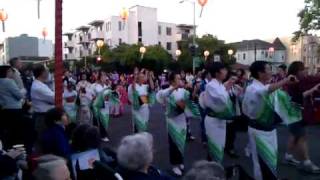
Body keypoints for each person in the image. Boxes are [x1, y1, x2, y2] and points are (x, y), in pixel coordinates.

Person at [242, 61, 295, 180]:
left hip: (270, 129)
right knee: (261, 163)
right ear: (260, 73)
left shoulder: (263, 86)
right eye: (269, 69)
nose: (271, 72)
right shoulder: (253, 88)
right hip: (258, 130)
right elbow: (266, 91)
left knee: (270, 159)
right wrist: (286, 80)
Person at [284, 61, 320, 173]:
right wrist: (312, 90)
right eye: (303, 69)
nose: (305, 71)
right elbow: (298, 97)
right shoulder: (293, 81)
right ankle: (306, 163)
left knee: (295, 135)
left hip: (295, 113)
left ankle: (288, 156)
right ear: (297, 71)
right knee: (302, 137)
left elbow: (312, 79)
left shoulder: (296, 80)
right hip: (295, 113)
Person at [199, 62, 235, 163]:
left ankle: (213, 169)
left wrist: (227, 86)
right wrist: (227, 87)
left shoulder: (219, 85)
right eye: (224, 70)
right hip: (213, 120)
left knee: (219, 146)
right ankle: (212, 171)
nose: (226, 71)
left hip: (220, 119)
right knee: (215, 146)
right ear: (217, 73)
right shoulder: (211, 85)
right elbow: (222, 99)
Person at [156, 72, 189, 176]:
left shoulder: (183, 91)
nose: (180, 80)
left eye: (180, 78)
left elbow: (189, 102)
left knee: (181, 142)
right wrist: (173, 88)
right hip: (172, 122)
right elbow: (161, 96)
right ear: (172, 81)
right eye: (178, 79)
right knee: (174, 143)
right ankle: (175, 165)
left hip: (182, 120)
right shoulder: (166, 91)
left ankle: (180, 161)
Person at [0, 65, 24, 149]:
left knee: (6, 132)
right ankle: (17, 151)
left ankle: (6, 149)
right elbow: (19, 95)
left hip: (4, 109)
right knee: (16, 132)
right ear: (6, 72)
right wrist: (22, 90)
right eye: (10, 71)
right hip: (14, 109)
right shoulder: (9, 81)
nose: (12, 73)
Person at [31, 64, 55, 138]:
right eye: (47, 71)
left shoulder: (41, 84)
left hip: (45, 116)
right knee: (45, 141)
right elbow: (54, 99)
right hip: (43, 118)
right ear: (42, 73)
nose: (48, 73)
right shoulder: (39, 87)